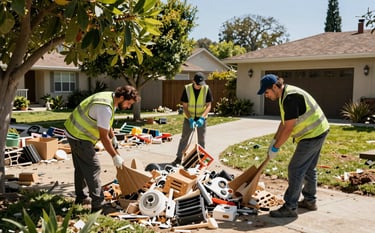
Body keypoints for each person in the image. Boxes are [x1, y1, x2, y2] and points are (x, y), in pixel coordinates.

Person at [257, 74, 329, 218]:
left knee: (295, 168)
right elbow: (284, 122)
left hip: (313, 134)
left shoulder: (290, 97)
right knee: (308, 167)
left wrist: (276, 147)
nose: (266, 95)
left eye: (266, 92)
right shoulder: (284, 96)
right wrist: (274, 141)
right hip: (319, 130)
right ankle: (310, 201)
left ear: (275, 87)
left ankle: (290, 207)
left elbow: (289, 128)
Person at [64, 85, 140, 212]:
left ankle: (81, 197)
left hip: (72, 131)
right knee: (94, 167)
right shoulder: (104, 107)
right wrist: (114, 156)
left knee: (82, 167)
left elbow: (106, 123)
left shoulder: (110, 98)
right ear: (121, 98)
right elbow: (103, 138)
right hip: (80, 136)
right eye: (128, 103)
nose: (128, 107)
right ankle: (99, 205)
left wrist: (113, 136)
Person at [172, 72, 213, 165]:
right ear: (193, 81)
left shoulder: (206, 89)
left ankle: (200, 160)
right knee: (184, 138)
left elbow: (208, 105)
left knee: (201, 140)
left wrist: (202, 118)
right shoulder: (187, 89)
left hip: (201, 119)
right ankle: (178, 158)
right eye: (197, 84)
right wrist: (190, 119)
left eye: (201, 84)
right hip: (188, 118)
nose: (199, 86)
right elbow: (185, 106)